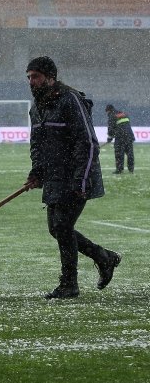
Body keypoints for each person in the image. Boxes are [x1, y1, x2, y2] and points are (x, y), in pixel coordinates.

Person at [24, 57, 121, 299]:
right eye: (29, 77)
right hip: (54, 177)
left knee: (62, 226)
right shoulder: (36, 107)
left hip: (77, 175)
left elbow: (87, 142)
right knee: (56, 228)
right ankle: (104, 257)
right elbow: (37, 144)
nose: (31, 81)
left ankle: (69, 284)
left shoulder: (70, 99)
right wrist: (37, 171)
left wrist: (81, 179)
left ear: (50, 77)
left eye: (35, 76)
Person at [105, 104, 135, 174]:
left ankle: (119, 169)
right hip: (129, 135)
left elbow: (111, 128)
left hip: (120, 137)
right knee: (130, 153)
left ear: (108, 111)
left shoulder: (112, 115)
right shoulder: (123, 113)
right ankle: (131, 169)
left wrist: (110, 137)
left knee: (119, 154)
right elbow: (125, 125)